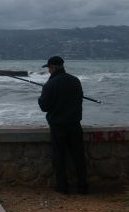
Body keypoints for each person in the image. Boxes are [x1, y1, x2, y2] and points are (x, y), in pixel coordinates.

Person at [37, 55, 87, 194]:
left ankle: (62, 187)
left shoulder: (50, 84)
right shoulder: (75, 81)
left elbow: (44, 106)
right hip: (75, 125)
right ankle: (83, 187)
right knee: (78, 157)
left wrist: (40, 98)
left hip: (58, 127)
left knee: (59, 157)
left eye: (49, 68)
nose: (48, 71)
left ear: (52, 67)